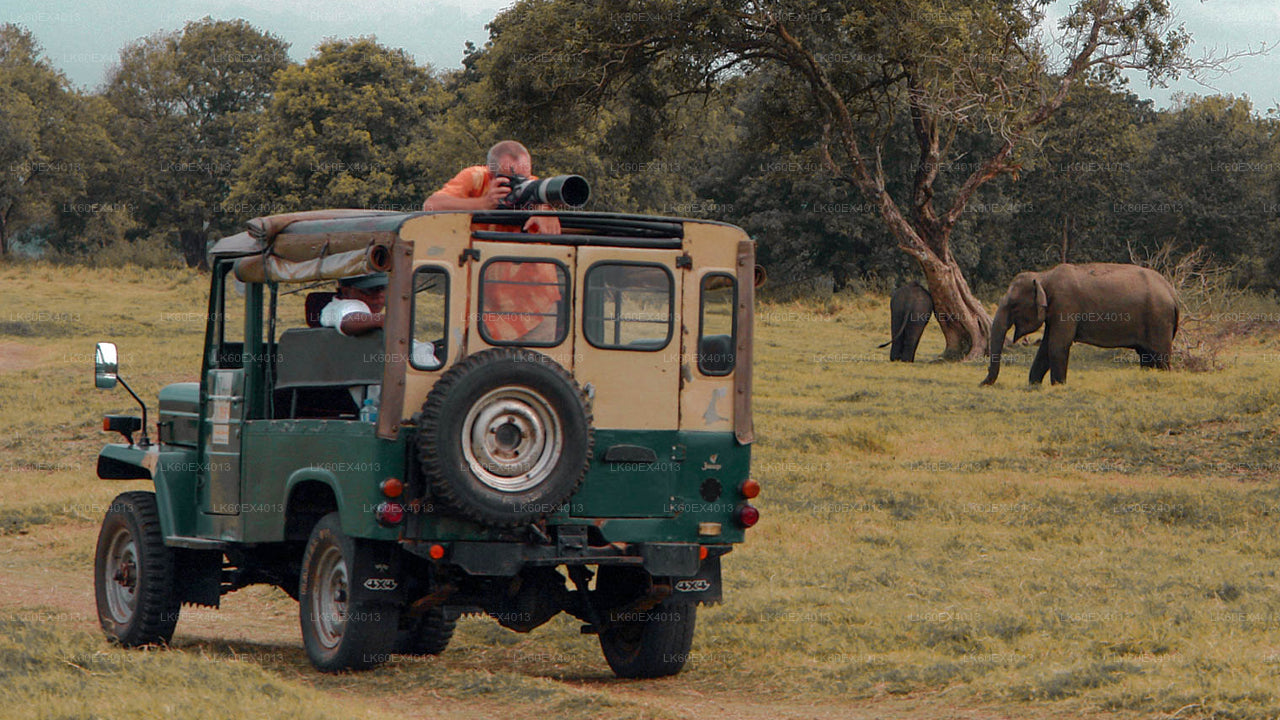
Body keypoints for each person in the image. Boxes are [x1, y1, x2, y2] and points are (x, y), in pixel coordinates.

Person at [424, 141, 564, 344]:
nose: (518, 184)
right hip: (485, 305)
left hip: (536, 304)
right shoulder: (475, 178)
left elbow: (549, 199)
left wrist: (548, 211)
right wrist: (482, 204)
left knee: (535, 369)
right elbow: (431, 205)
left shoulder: (535, 189)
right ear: (490, 175)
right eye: (509, 180)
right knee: (480, 368)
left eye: (523, 178)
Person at [320, 273, 438, 367]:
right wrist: (383, 320)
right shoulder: (347, 305)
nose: (380, 295)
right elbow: (348, 320)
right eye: (370, 290)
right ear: (346, 291)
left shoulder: (334, 309)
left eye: (383, 288)